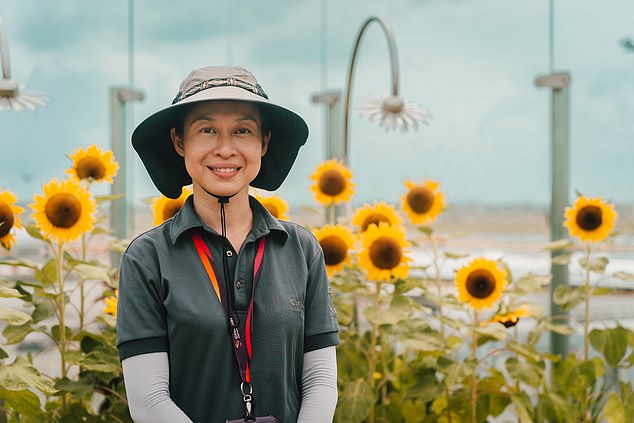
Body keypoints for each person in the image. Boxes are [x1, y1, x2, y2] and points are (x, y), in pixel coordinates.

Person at [116, 66, 339, 423]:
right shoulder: (147, 258)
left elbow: (321, 381)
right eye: (207, 130)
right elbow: (148, 400)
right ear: (179, 142)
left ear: (263, 142)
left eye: (242, 131)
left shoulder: (301, 249)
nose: (225, 149)